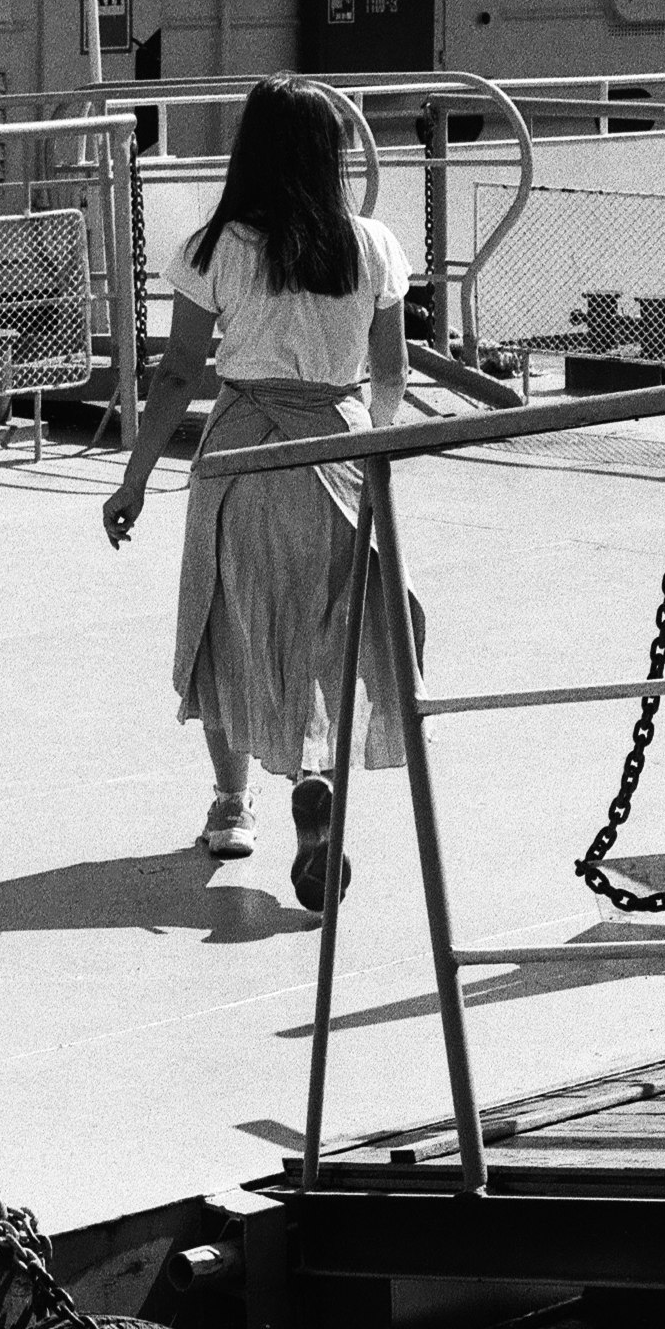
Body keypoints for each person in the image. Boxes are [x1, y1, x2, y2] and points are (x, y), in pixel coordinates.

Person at [101, 75, 419, 905]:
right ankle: (314, 774)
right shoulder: (372, 245)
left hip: (240, 454)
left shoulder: (214, 248)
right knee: (327, 625)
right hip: (340, 450)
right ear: (331, 154)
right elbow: (391, 370)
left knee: (226, 622)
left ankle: (233, 805)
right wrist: (371, 445)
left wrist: (133, 479)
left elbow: (176, 374)